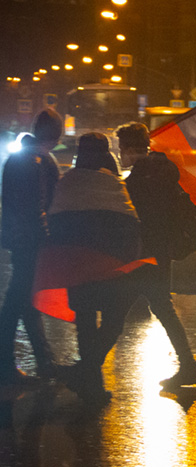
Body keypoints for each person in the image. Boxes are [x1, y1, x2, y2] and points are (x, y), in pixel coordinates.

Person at [46, 132, 143, 405]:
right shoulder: (113, 184)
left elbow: (55, 223)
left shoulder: (68, 183)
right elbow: (130, 223)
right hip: (111, 265)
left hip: (77, 267)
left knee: (85, 326)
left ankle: (89, 381)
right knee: (113, 323)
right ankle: (89, 380)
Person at [116, 122, 196, 389]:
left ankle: (87, 369)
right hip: (161, 253)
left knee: (116, 311)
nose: (120, 155)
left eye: (121, 149)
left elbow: (137, 220)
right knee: (159, 308)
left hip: (144, 255)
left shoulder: (140, 180)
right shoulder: (164, 171)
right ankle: (189, 367)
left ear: (130, 149)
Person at [0, 109, 62, 386]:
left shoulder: (19, 157)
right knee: (19, 300)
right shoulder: (39, 161)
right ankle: (6, 366)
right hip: (31, 239)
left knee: (24, 299)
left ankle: (43, 361)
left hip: (18, 236)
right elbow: (40, 206)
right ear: (56, 136)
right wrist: (48, 235)